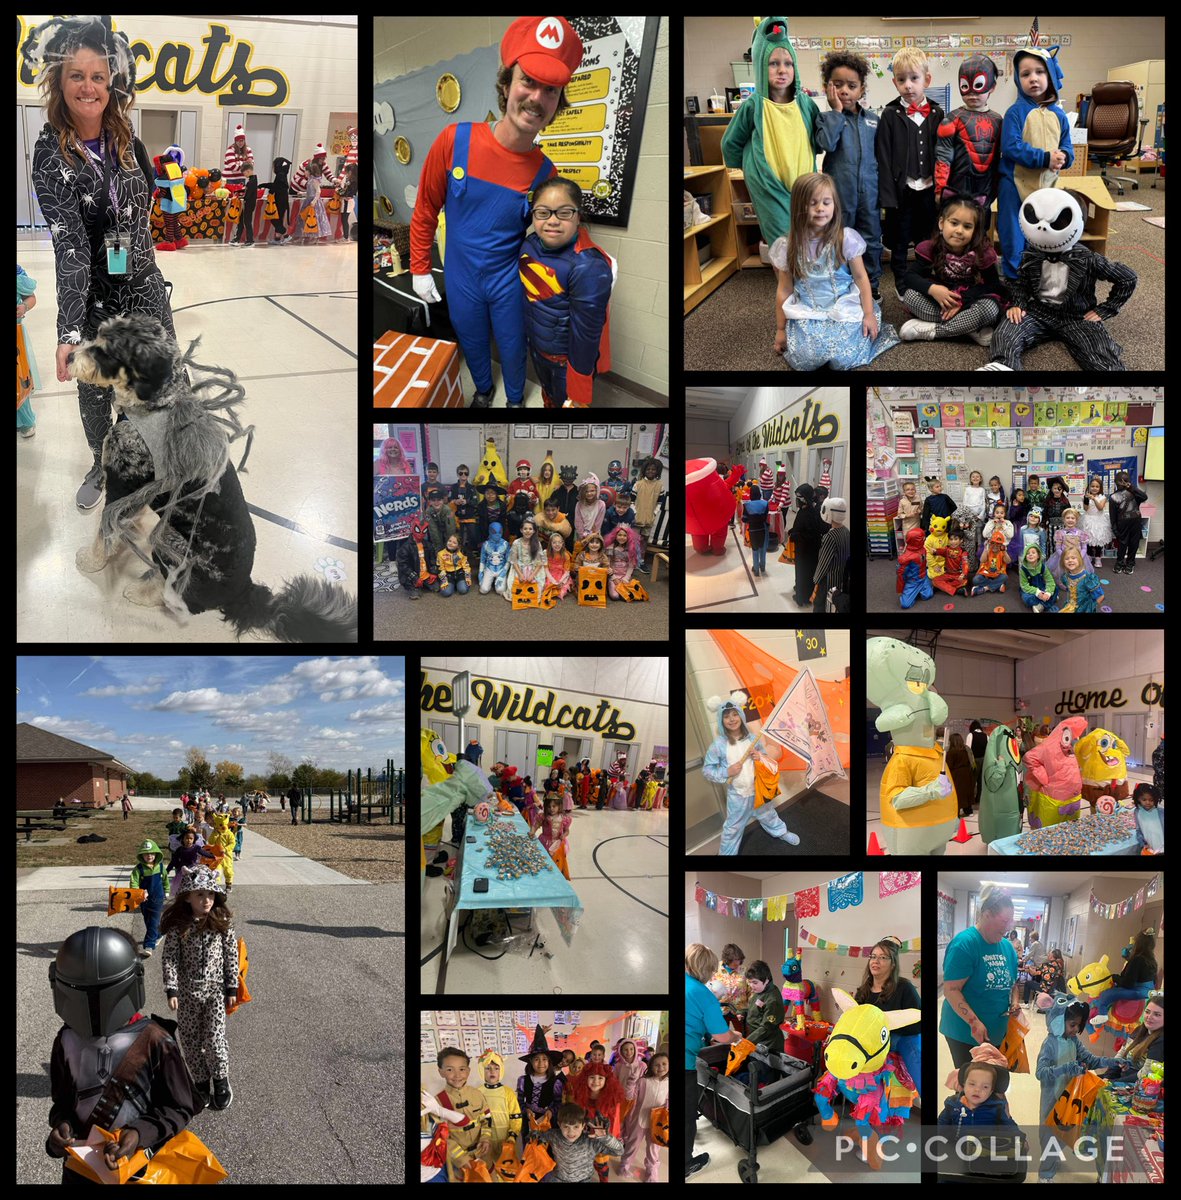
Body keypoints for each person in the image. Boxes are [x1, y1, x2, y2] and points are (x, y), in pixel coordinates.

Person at [25, 15, 177, 509]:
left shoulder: (128, 138)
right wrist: (69, 331)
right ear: (59, 80)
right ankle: (101, 462)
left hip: (143, 288)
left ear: (112, 83)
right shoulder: (51, 156)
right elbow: (70, 245)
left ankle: (141, 460)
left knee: (152, 386)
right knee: (94, 395)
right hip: (93, 299)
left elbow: (145, 203)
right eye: (77, 75)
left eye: (98, 76)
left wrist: (139, 259)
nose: (88, 87)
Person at [410, 17, 582, 407]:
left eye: (551, 90)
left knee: (513, 343)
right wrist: (419, 267)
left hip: (509, 279)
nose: (537, 98)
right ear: (506, 85)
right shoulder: (455, 140)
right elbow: (425, 209)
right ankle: (484, 391)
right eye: (528, 81)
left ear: (558, 103)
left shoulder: (546, 173)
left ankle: (515, 400)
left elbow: (556, 233)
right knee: (472, 340)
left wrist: (590, 260)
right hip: (461, 276)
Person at [46, 926, 201, 1182]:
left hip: (138, 1169)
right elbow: (62, 1101)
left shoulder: (155, 1039)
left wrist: (139, 1134)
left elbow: (179, 1106)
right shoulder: (66, 1040)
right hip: (81, 1169)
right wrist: (62, 1126)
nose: (94, 1009)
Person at [769, 172, 898, 369]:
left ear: (834, 205)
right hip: (809, 313)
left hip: (844, 308)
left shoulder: (846, 239)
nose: (820, 208)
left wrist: (868, 314)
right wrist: (780, 329)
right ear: (798, 207)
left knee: (843, 358)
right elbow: (784, 290)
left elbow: (861, 278)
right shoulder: (788, 247)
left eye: (826, 202)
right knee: (807, 358)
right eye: (812, 203)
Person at [519, 175, 614, 408]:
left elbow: (586, 336)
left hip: (564, 362)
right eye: (543, 212)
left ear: (578, 215)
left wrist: (579, 384)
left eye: (564, 213)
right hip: (537, 348)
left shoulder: (589, 267)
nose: (552, 221)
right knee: (549, 397)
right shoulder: (529, 243)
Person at [159, 865, 238, 1111]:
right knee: (191, 1041)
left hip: (215, 992)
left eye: (211, 894)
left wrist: (231, 987)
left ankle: (221, 1081)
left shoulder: (222, 923)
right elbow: (170, 958)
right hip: (187, 994)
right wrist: (171, 988)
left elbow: (231, 955)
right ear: (187, 897)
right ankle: (201, 1083)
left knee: (214, 1040)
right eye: (200, 895)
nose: (206, 900)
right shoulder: (179, 927)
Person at [814, 50, 882, 296]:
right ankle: (842, 290)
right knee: (838, 240)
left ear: (861, 89)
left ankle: (871, 288)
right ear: (827, 87)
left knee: (871, 240)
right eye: (838, 85)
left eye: (852, 86)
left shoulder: (873, 120)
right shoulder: (825, 118)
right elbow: (827, 144)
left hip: (869, 195)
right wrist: (835, 112)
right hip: (839, 196)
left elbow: (881, 157)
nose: (844, 91)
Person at [876, 47, 943, 289]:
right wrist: (887, 197)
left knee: (928, 239)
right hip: (902, 191)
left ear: (927, 80)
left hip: (929, 189)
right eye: (902, 79)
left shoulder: (937, 113)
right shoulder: (889, 114)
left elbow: (944, 154)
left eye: (914, 78)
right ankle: (901, 284)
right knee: (900, 240)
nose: (908, 85)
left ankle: (924, 281)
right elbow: (883, 158)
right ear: (894, 82)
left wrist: (942, 189)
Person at [898, 196, 1005, 343]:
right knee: (910, 296)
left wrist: (962, 300)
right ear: (942, 223)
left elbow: (994, 285)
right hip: (941, 301)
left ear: (974, 231)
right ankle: (968, 329)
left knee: (990, 309)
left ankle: (934, 331)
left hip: (969, 301)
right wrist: (933, 289)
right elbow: (910, 277)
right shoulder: (931, 247)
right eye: (954, 223)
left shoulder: (983, 252)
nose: (959, 231)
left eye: (967, 226)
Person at [702, 695, 799, 854]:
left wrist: (759, 756)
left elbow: (764, 759)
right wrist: (727, 771)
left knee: (768, 814)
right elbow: (708, 770)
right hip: (738, 796)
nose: (732, 719)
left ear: (741, 715)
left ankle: (781, 832)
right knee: (733, 827)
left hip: (758, 789)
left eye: (735, 714)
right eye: (726, 716)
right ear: (721, 720)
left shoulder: (753, 739)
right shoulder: (718, 746)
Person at [940, 884, 1019, 1070]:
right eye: (1004, 921)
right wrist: (974, 1022)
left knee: (994, 1079)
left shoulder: (1007, 947)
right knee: (973, 1082)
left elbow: (1013, 984)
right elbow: (951, 990)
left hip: (996, 1031)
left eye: (1010, 922)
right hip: (966, 1032)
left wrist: (1015, 1003)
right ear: (987, 914)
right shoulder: (965, 944)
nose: (1007, 928)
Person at [685, 943, 738, 1179]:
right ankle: (686, 1163)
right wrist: (735, 1036)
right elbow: (723, 1036)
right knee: (687, 1115)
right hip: (686, 1061)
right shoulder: (703, 995)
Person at [856, 936, 922, 1099]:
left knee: (913, 1050)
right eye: (873, 956)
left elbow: (918, 1022)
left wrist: (890, 1027)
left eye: (883, 957)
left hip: (901, 1039)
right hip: (873, 1041)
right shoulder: (864, 990)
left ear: (893, 964)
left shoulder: (904, 987)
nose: (875, 961)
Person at [433, 1046, 493, 1180]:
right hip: (458, 1163)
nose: (457, 1075)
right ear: (441, 1072)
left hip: (483, 1155)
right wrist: (461, 1158)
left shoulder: (477, 1094)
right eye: (450, 1070)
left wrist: (485, 1139)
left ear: (468, 1071)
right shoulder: (437, 1103)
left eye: (462, 1069)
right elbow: (440, 1136)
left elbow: (487, 1119)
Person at [532, 1101, 624, 1183]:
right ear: (559, 1125)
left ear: (583, 1126)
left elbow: (619, 1151)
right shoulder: (554, 1135)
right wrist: (534, 1134)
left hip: (584, 1180)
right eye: (566, 1127)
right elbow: (540, 1135)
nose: (571, 1132)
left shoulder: (590, 1142)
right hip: (559, 1178)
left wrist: (605, 1137)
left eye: (576, 1127)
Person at [620, 1049, 668, 1183]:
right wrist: (630, 1083)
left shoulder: (669, 1083)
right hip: (639, 1120)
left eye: (664, 1064)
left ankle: (652, 1171)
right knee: (632, 1144)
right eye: (657, 1065)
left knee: (654, 1149)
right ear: (651, 1066)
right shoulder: (643, 1081)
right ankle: (624, 1165)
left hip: (657, 1122)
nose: (660, 1067)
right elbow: (630, 1096)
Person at [477, 1048, 522, 1169]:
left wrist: (512, 1135)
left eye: (496, 1068)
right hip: (486, 1140)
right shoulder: (477, 1093)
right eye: (488, 1068)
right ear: (482, 1070)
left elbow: (515, 1117)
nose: (492, 1071)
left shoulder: (508, 1092)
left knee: (506, 1168)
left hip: (505, 1140)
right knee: (488, 1168)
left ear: (501, 1070)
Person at [1107, 993, 1164, 1082]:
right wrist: (1107, 1077)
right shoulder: (1140, 1029)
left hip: (1137, 1086)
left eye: (1157, 1014)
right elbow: (1121, 1054)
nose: (1149, 1017)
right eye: (1147, 1012)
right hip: (1121, 1079)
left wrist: (1112, 1083)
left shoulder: (1161, 1041)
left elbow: (1145, 1075)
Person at [128, 839, 170, 959]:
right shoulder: (139, 869)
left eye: (152, 853)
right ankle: (158, 934)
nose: (149, 856)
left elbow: (165, 880)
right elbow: (134, 882)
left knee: (153, 921)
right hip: (144, 900)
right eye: (146, 854)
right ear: (141, 855)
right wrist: (137, 893)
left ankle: (149, 945)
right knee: (148, 920)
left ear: (156, 854)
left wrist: (167, 890)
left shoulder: (161, 867)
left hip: (158, 899)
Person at [1108, 470, 1148, 575]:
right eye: (1120, 481)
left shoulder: (1134, 493)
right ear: (1116, 482)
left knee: (1134, 544)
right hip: (1122, 525)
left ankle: (1130, 563)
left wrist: (1131, 487)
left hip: (1135, 524)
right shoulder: (1113, 497)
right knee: (1122, 544)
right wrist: (1114, 528)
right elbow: (1113, 515)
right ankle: (1119, 562)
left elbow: (1145, 497)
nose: (1123, 483)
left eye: (1125, 481)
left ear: (1129, 482)